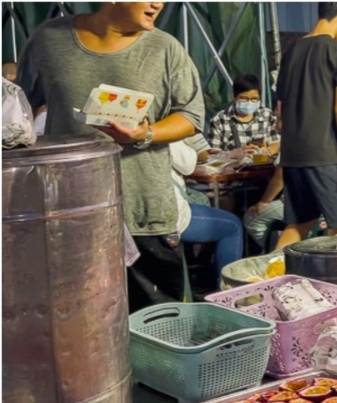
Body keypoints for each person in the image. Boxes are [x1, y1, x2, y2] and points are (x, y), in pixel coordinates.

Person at [17, 2, 205, 310]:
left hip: (145, 213)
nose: (159, 3)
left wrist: (145, 134)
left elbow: (191, 115)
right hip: (70, 213)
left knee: (158, 325)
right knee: (80, 323)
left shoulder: (165, 48)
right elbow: (19, 108)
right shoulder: (48, 40)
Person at [275, 2, 337, 251]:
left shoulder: (291, 53)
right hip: (327, 156)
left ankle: (263, 281)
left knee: (298, 225)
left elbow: (280, 115)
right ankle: (334, 285)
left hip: (293, 156)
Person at [171, 139, 245, 282]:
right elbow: (189, 164)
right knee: (233, 226)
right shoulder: (164, 134)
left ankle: (201, 265)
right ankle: (226, 289)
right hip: (167, 216)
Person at [207, 73, 280, 155]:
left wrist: (264, 151)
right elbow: (213, 151)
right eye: (244, 98)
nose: (249, 102)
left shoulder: (267, 115)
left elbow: (276, 143)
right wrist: (233, 154)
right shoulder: (219, 120)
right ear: (234, 97)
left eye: (254, 99)